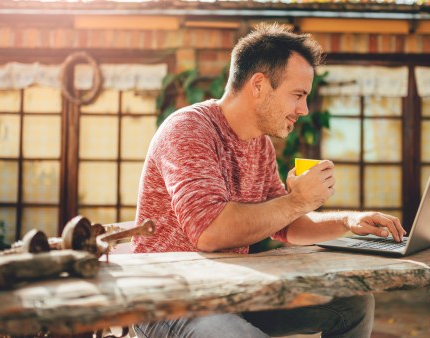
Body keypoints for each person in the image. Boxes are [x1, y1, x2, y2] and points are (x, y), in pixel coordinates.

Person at [132, 23, 405, 338]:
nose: (303, 109)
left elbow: (286, 224)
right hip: (169, 299)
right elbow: (209, 233)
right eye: (297, 95)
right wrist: (297, 200)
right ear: (259, 85)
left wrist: (348, 220)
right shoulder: (189, 130)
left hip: (231, 290)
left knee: (353, 303)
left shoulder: (258, 144)